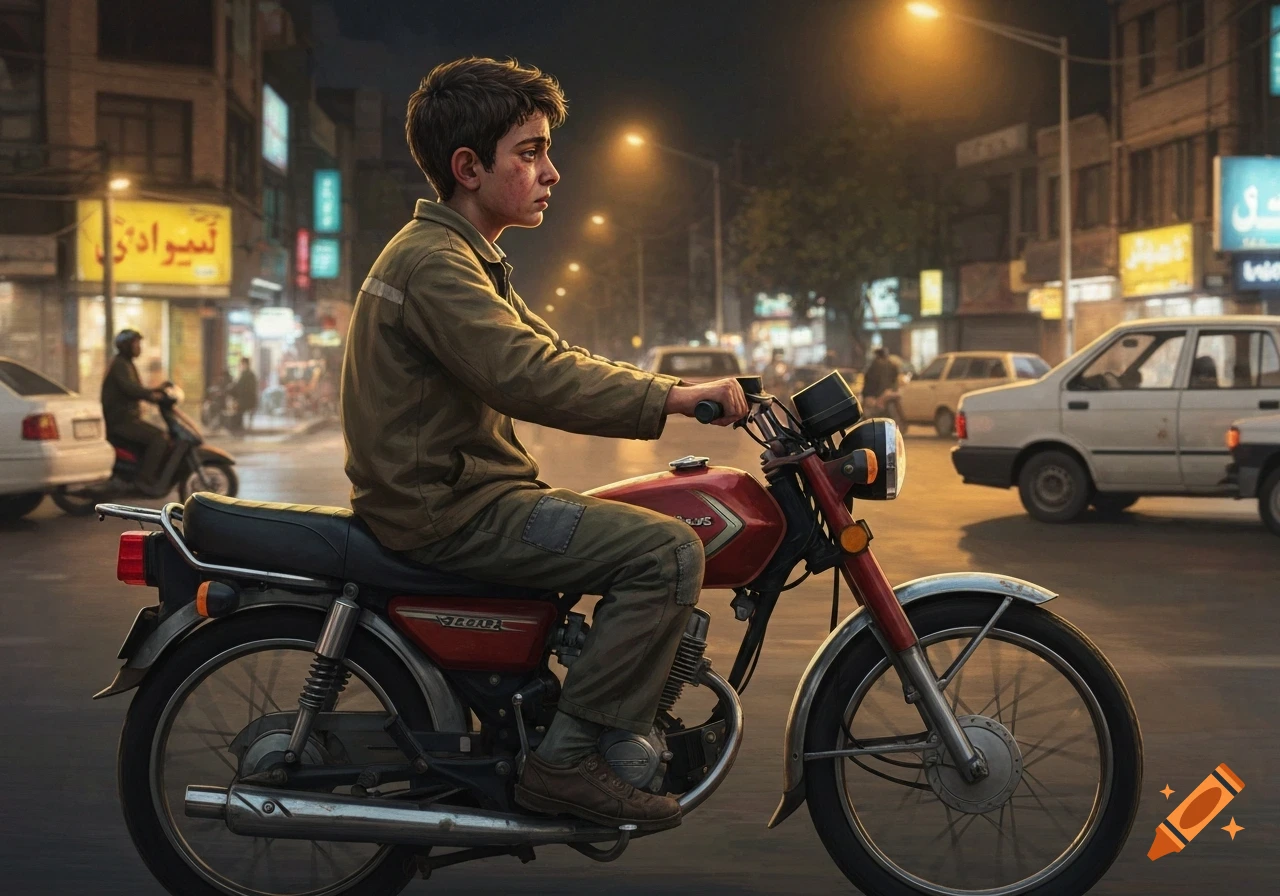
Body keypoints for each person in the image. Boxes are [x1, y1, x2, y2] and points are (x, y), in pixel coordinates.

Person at [341, 57, 747, 832]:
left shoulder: (466, 256)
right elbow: (529, 375)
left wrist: (676, 393)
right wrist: (671, 397)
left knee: (640, 523)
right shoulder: (436, 264)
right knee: (664, 553)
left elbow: (555, 353)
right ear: (468, 167)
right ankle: (567, 764)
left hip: (464, 494)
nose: (551, 172)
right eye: (528, 153)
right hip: (451, 510)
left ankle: (579, 723)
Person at [102, 329, 168, 489]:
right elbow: (130, 389)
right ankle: (144, 479)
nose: (139, 347)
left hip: (127, 418)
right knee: (159, 437)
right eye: (135, 344)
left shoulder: (126, 363)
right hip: (121, 420)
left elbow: (135, 388)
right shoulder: (120, 364)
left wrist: (157, 390)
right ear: (125, 346)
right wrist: (151, 395)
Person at [232, 357, 259, 432]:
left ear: (245, 364)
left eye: (241, 364)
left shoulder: (246, 374)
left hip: (246, 399)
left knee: (238, 409)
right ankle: (241, 426)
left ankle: (239, 427)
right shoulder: (250, 374)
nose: (240, 366)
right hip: (249, 399)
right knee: (239, 408)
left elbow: (240, 387)